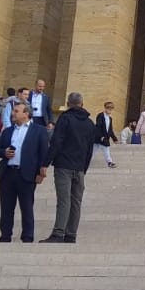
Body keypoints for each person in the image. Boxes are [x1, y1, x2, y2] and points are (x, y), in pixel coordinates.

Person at [42, 92, 94, 243]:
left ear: (68, 103)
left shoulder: (65, 119)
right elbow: (90, 150)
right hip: (79, 168)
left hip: (64, 165)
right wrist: (84, 168)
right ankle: (71, 234)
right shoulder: (89, 123)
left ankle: (59, 233)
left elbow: (56, 142)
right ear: (82, 104)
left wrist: (45, 163)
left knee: (64, 200)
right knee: (76, 201)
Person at [0, 100, 49, 243]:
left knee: (26, 207)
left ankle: (27, 236)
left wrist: (41, 172)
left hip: (26, 174)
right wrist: (4, 152)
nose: (13, 113)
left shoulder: (39, 131)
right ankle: (5, 235)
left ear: (26, 113)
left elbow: (43, 153)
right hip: (7, 174)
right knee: (6, 208)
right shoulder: (7, 131)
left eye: (16, 111)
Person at [94, 102, 118, 168]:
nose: (110, 110)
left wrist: (114, 138)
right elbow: (98, 127)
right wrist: (101, 136)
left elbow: (110, 130)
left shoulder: (110, 118)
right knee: (93, 151)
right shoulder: (101, 116)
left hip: (105, 138)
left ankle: (109, 162)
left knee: (106, 149)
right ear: (105, 108)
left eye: (111, 108)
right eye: (108, 108)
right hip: (99, 137)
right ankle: (85, 161)